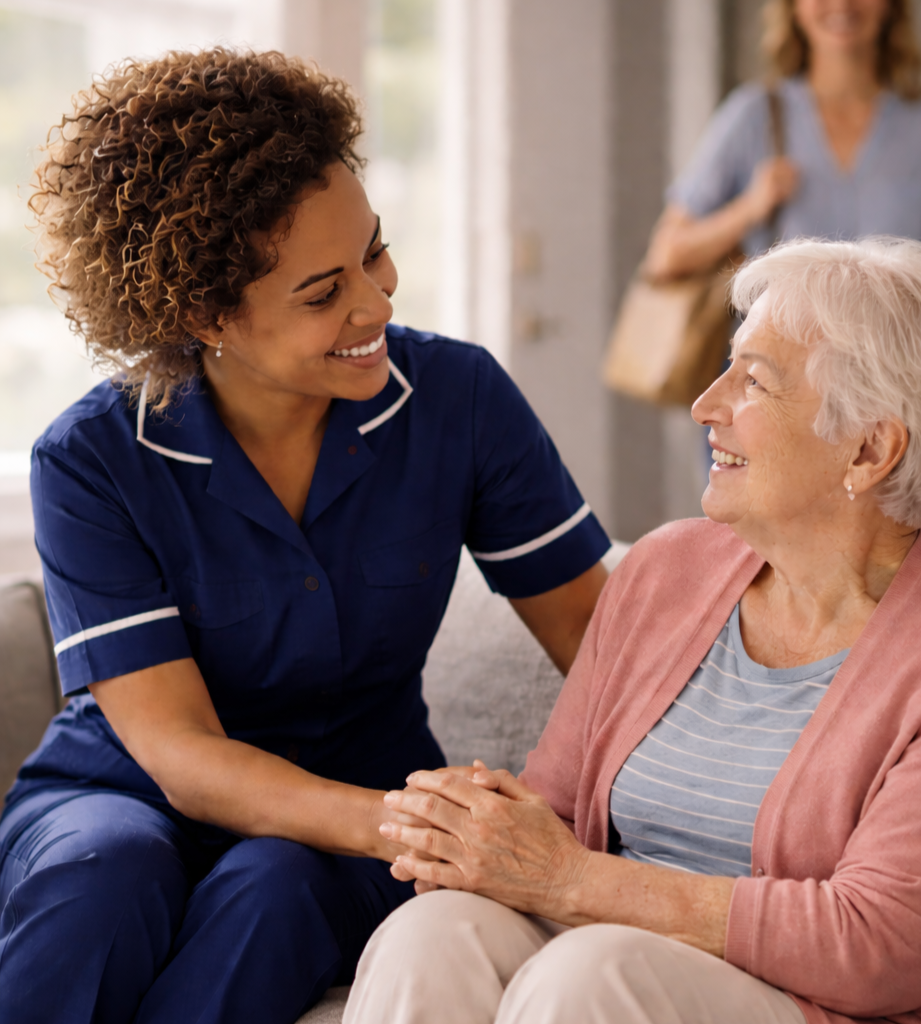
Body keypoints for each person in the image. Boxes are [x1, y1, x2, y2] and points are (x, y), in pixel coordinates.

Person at [0, 49, 611, 1024]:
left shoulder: (458, 400)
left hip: (340, 819)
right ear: (206, 314)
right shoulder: (89, 459)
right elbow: (183, 752)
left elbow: (604, 648)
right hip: (124, 795)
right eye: (322, 293)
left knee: (276, 887)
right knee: (99, 875)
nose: (378, 302)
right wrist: (414, 820)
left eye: (373, 251)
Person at [343, 238, 921, 1024]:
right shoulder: (667, 571)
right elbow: (553, 815)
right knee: (437, 931)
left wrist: (573, 883)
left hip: (840, 1006)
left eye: (755, 381)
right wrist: (471, 836)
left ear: (870, 448)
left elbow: (879, 944)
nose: (706, 403)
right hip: (610, 957)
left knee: (594, 975)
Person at [643, 0, 921, 282]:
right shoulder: (754, 115)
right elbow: (666, 255)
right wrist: (750, 208)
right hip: (774, 354)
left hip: (890, 356)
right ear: (793, 7)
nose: (842, 4)